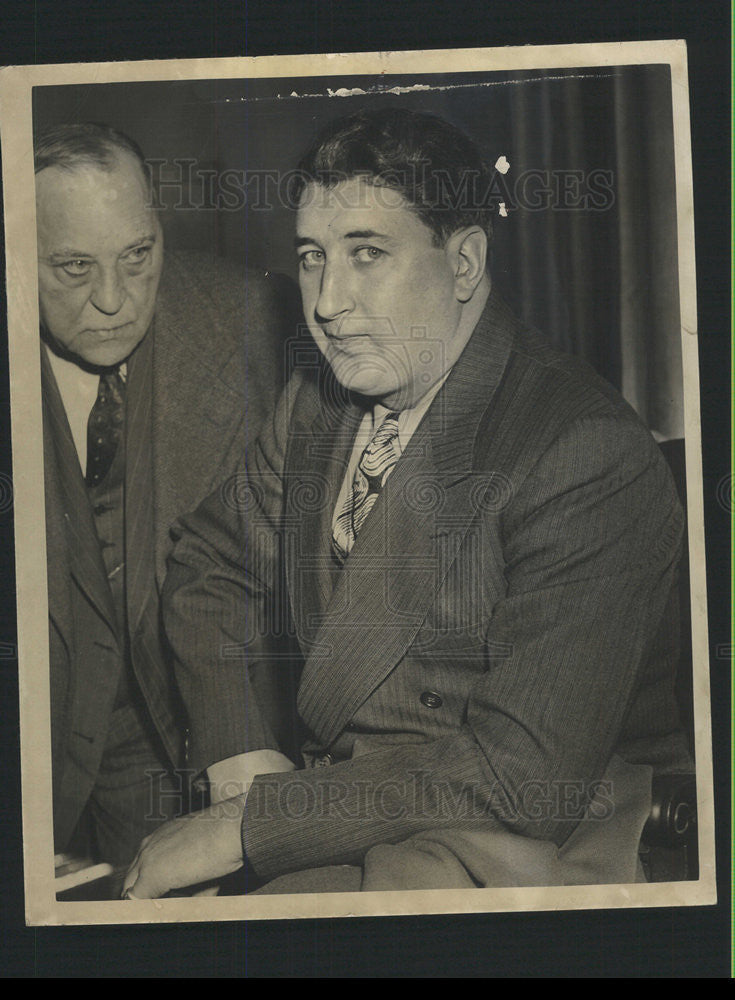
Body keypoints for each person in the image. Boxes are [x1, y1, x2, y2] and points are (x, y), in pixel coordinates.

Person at [123, 108, 692, 898]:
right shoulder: (319, 404)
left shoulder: (580, 450)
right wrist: (239, 756)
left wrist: (249, 826)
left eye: (366, 255)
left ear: (462, 263)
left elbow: (520, 777)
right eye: (313, 258)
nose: (325, 302)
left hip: (529, 842)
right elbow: (209, 562)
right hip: (350, 812)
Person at [36, 122, 300, 876]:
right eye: (74, 268)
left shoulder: (256, 321)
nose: (114, 300)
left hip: (184, 738)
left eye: (137, 256)